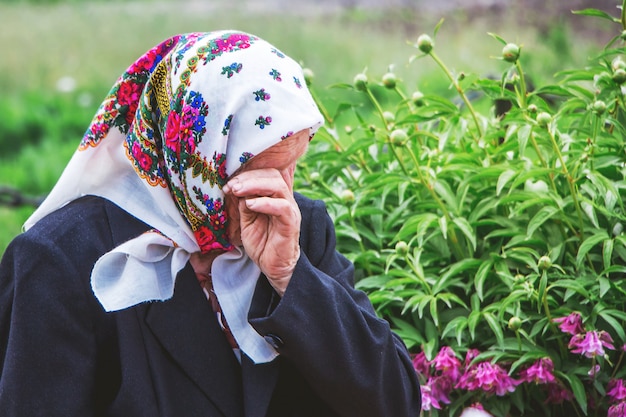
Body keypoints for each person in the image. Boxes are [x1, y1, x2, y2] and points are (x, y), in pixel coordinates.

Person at [0, 31, 421, 416]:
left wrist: (292, 278)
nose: (282, 191)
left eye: (292, 167)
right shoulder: (61, 260)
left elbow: (394, 403)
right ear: (198, 162)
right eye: (257, 171)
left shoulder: (296, 230)